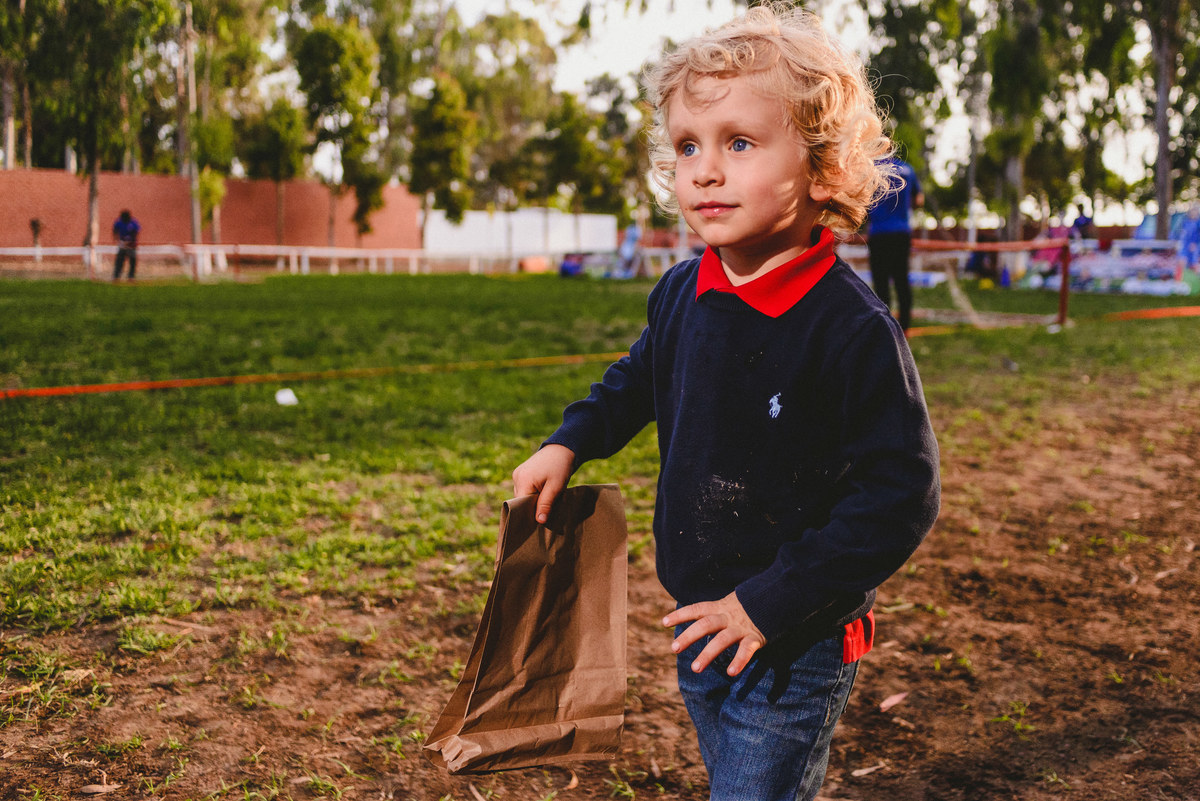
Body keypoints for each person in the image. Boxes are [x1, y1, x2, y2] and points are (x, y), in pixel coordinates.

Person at [511, 5, 940, 800]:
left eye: (738, 143)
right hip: (701, 623)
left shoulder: (852, 330)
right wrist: (570, 440)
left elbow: (900, 494)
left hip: (796, 640)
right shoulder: (682, 293)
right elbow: (635, 379)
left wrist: (766, 604)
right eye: (687, 146)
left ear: (822, 170)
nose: (705, 170)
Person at [865, 156, 922, 331]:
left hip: (879, 232)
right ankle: (905, 327)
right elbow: (919, 200)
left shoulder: (871, 168)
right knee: (902, 280)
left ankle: (885, 328)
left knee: (881, 283)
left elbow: (862, 200)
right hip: (901, 232)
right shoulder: (908, 169)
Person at [112, 209, 140, 280]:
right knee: (119, 261)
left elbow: (136, 233)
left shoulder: (133, 223)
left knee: (132, 261)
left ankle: (131, 277)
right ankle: (116, 276)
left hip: (131, 245)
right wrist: (118, 241)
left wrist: (130, 241)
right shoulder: (119, 222)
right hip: (122, 245)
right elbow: (115, 231)